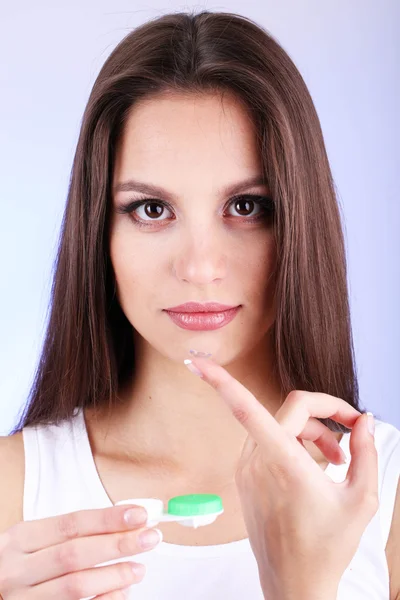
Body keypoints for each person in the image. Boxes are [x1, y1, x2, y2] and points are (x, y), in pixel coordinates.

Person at [0, 9, 399, 600]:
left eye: (245, 207)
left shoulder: (386, 490)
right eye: (152, 210)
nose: (199, 267)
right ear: (98, 234)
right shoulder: (11, 492)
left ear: (298, 221)